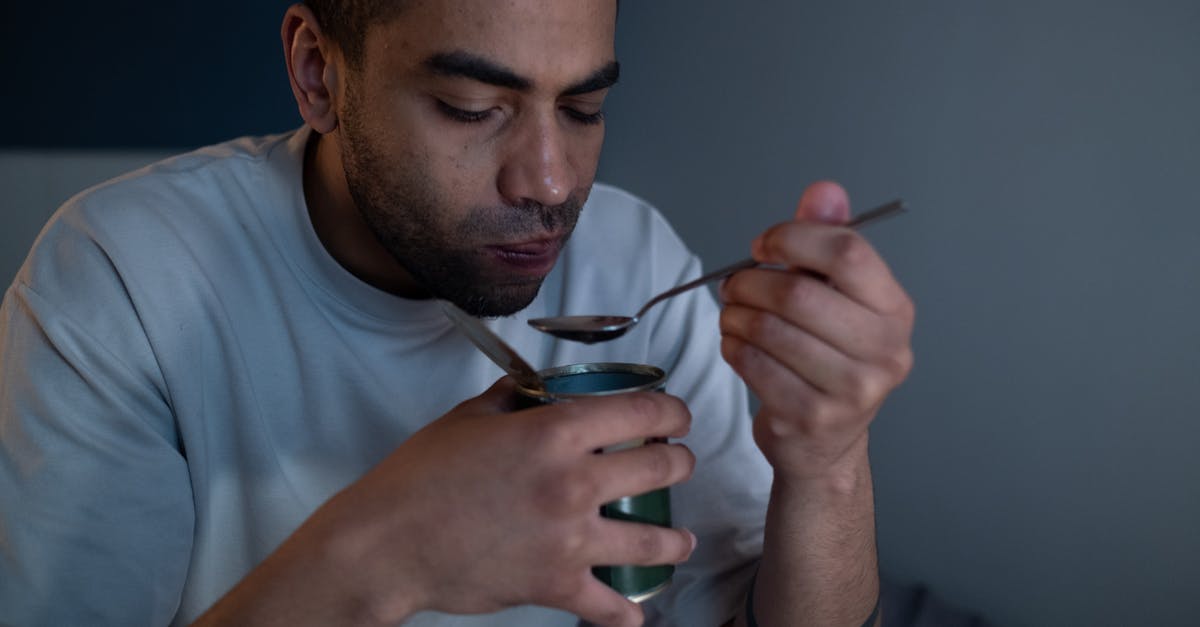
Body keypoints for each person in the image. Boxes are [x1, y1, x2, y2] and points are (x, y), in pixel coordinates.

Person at [0, 1, 913, 625]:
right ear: (319, 72)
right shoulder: (123, 276)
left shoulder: (632, 257)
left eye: (585, 106)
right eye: (471, 108)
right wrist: (381, 554)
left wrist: (828, 463)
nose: (551, 183)